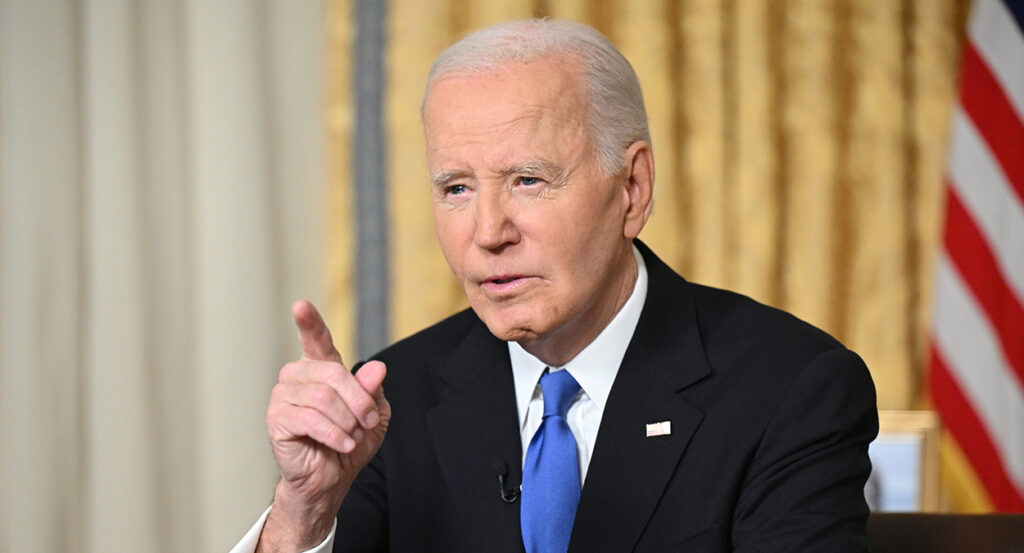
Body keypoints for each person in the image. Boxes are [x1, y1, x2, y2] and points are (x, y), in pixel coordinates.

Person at [232, 18, 877, 553]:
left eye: (528, 181)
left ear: (632, 189)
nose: (488, 233)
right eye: (456, 188)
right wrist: (303, 513)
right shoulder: (389, 402)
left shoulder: (791, 389)